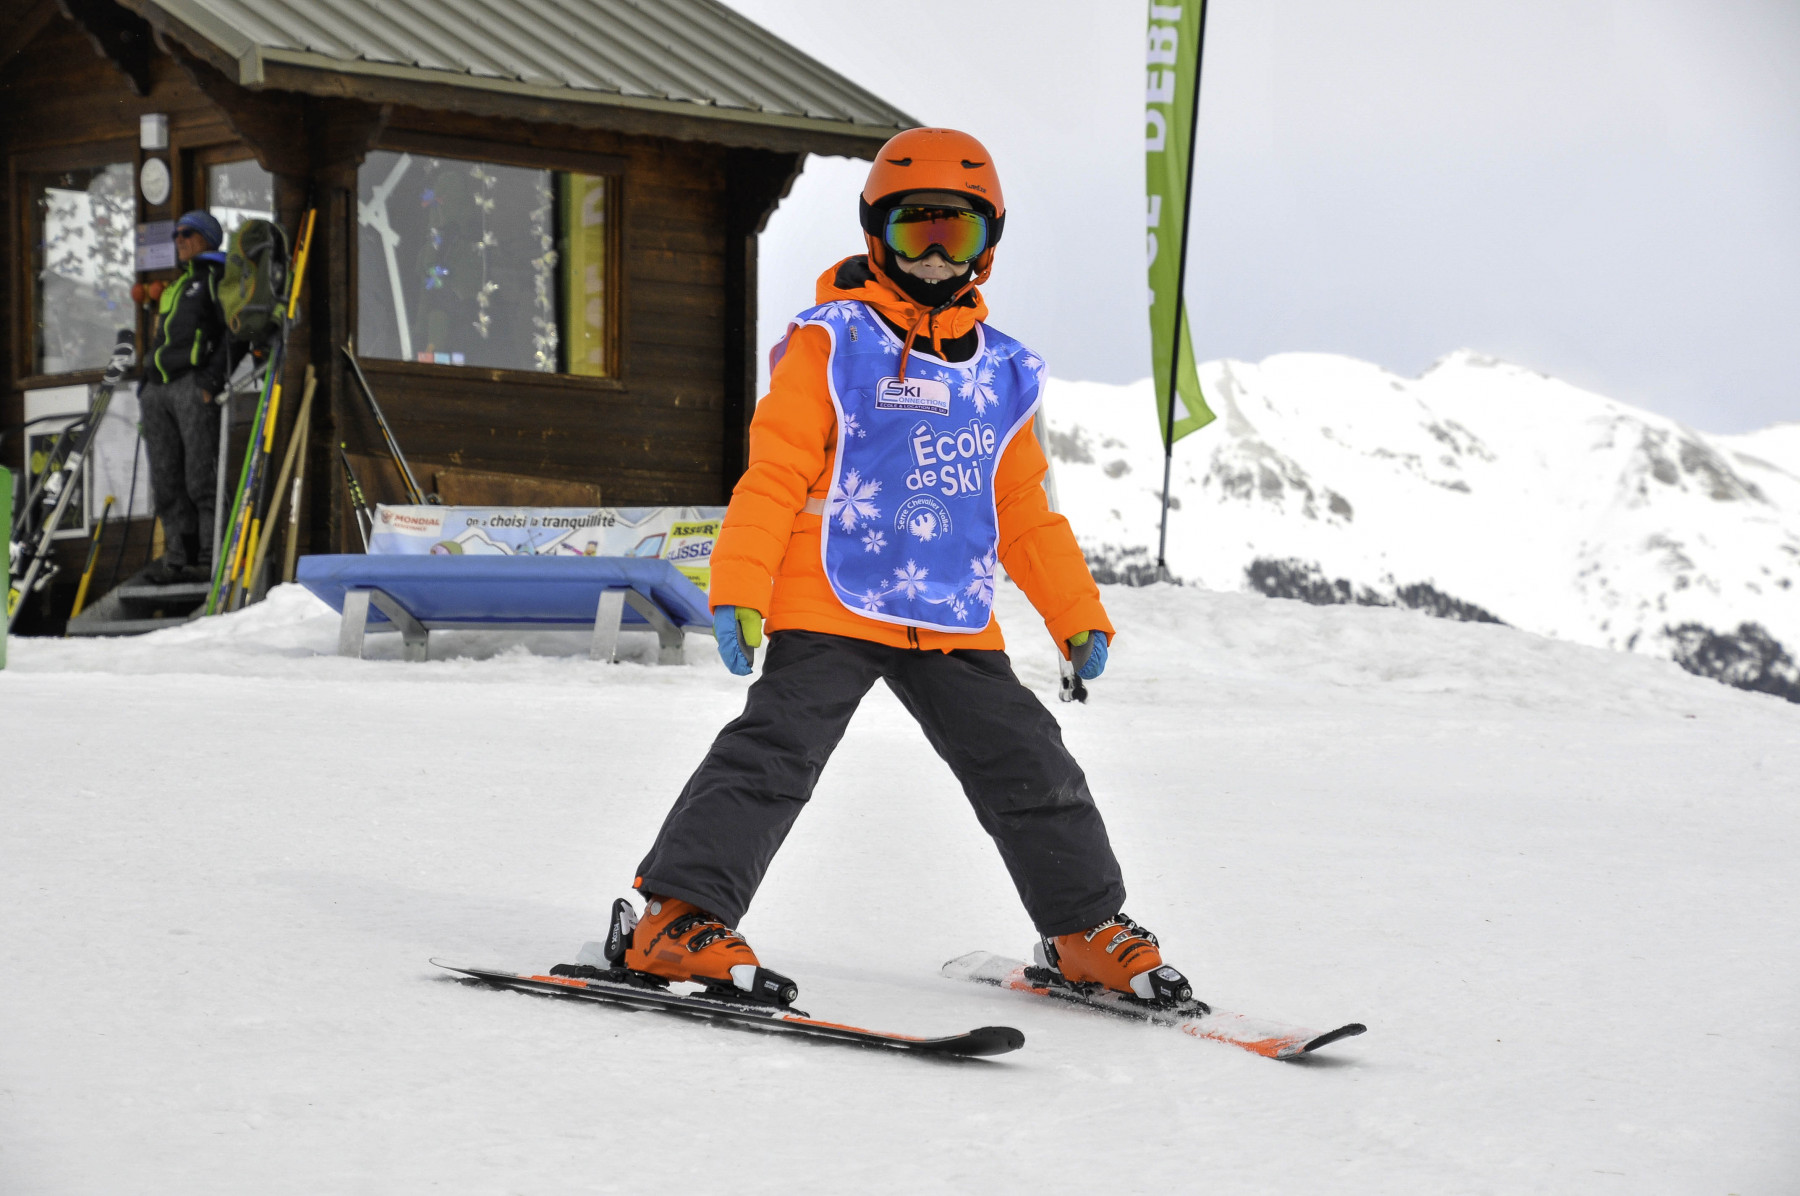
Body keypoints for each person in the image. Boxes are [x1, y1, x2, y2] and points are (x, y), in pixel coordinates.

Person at [614, 128, 1191, 1008]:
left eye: (955, 233)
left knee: (1029, 760)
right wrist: (740, 589)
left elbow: (1024, 510)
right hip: (832, 595)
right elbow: (774, 474)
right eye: (914, 229)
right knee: (775, 752)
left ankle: (1084, 930)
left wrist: (1077, 614)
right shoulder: (832, 343)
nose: (932, 255)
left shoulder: (1002, 372)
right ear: (876, 233)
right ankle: (677, 918)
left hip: (951, 609)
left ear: (987, 245)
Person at [139, 210, 230, 584]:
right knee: (165, 479)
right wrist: (145, 386)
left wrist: (211, 380)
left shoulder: (216, 278)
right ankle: (177, 558)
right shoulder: (176, 286)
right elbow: (161, 340)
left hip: (192, 385)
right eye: (175, 234)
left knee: (200, 477)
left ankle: (210, 557)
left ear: (207, 238)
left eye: (187, 233)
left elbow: (233, 333)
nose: (178, 240)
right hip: (158, 390)